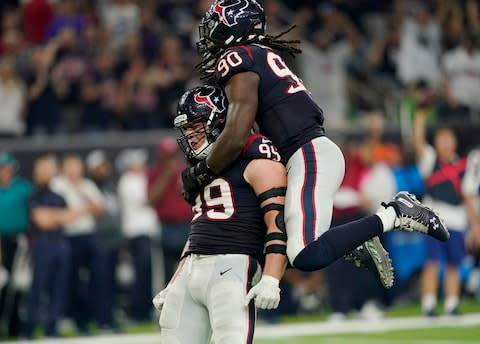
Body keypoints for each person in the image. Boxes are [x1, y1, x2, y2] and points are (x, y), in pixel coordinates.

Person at [181, 0, 450, 285]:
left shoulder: (237, 56)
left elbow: (236, 135)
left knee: (306, 254)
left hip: (306, 153)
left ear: (235, 28)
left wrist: (201, 172)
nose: (210, 36)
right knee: (270, 243)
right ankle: (352, 242)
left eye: (215, 28)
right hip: (302, 155)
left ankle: (396, 213)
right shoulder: (258, 57)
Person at [153, 85, 288, 344]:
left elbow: (277, 223)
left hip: (232, 267)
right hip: (192, 269)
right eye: (186, 128)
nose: (190, 135)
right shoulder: (205, 168)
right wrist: (175, 279)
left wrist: (272, 277)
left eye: (196, 125)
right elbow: (199, 227)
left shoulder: (258, 160)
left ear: (219, 119)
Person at [413, 109, 480, 316]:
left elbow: (468, 196)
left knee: (454, 264)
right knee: (432, 262)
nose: (444, 143)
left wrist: (475, 226)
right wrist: (421, 116)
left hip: (457, 220)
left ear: (455, 142)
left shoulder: (465, 165)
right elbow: (417, 143)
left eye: (448, 138)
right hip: (433, 219)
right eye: (441, 138)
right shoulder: (430, 160)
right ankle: (429, 304)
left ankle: (451, 304)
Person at [23, 155, 77, 339]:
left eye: (49, 170)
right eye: (44, 170)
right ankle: (29, 330)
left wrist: (51, 216)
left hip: (60, 243)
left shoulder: (58, 196)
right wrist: (57, 217)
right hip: (42, 243)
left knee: (59, 288)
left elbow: (70, 217)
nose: (47, 174)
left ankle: (51, 328)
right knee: (38, 287)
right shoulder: (33, 194)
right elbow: (41, 221)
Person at [0, 152, 31, 338]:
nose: (4, 172)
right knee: (1, 283)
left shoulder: (23, 188)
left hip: (19, 240)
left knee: (19, 284)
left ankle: (14, 326)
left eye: (7, 168)